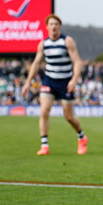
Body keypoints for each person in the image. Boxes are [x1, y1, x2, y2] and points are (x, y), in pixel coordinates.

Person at [21, 14, 88, 155]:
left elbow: (77, 61)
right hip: (49, 81)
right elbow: (36, 63)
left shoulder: (67, 41)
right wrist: (28, 82)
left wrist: (74, 79)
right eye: (51, 24)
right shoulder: (43, 44)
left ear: (60, 27)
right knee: (44, 110)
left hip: (65, 81)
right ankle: (44, 145)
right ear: (47, 27)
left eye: (56, 24)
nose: (54, 26)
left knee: (68, 117)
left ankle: (81, 137)